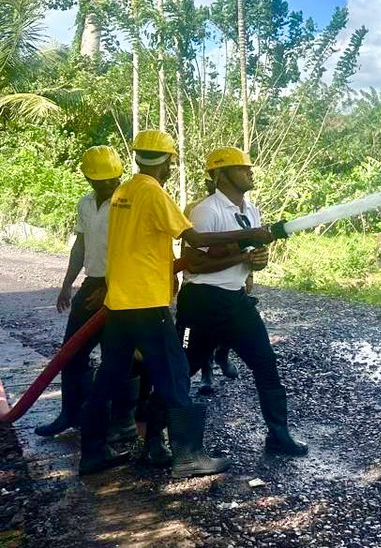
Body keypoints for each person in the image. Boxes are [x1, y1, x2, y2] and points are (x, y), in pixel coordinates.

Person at [77, 130, 277, 477]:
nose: (171, 167)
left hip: (120, 301)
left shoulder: (124, 191)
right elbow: (196, 239)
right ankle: (188, 457)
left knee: (108, 378)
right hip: (145, 302)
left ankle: (92, 455)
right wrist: (249, 236)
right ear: (167, 161)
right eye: (171, 161)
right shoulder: (154, 193)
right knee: (176, 373)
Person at [177, 146, 308, 457]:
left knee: (265, 363)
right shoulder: (206, 211)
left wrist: (257, 261)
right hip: (204, 300)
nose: (250, 172)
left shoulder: (251, 210)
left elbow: (250, 261)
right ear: (220, 174)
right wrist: (243, 255)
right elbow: (193, 265)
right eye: (241, 168)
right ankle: (158, 431)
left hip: (235, 299)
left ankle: (278, 435)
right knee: (187, 366)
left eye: (249, 167)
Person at [35, 147, 122, 438]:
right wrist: (66, 283)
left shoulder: (127, 204)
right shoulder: (85, 204)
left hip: (122, 288)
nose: (110, 185)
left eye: (114, 179)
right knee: (71, 352)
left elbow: (132, 252)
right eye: (103, 181)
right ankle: (70, 414)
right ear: (88, 178)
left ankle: (111, 423)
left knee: (117, 358)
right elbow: (80, 246)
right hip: (92, 285)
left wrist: (111, 287)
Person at [184, 177, 239, 395]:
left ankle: (223, 357)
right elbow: (187, 249)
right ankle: (206, 375)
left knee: (229, 329)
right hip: (201, 285)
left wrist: (249, 274)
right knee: (192, 335)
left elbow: (247, 245)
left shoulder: (237, 209)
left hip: (231, 280)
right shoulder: (194, 209)